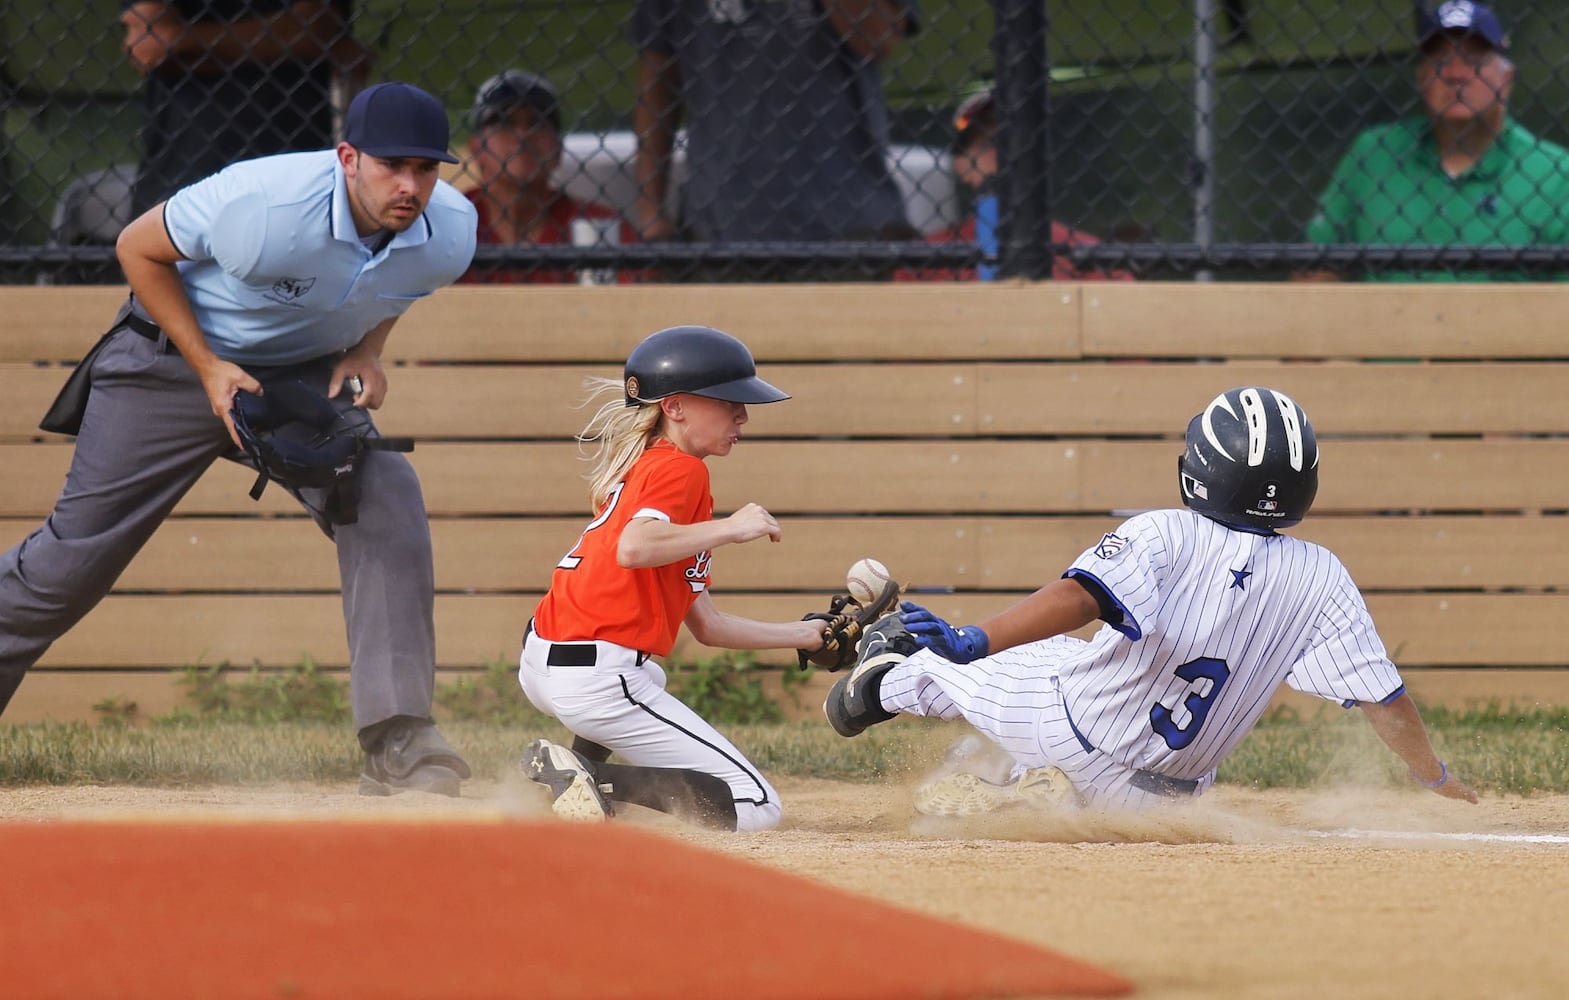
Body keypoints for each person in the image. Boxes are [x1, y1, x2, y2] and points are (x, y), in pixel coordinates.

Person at [2, 82, 479, 797]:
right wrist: (207, 367)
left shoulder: (450, 230)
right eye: (391, 165)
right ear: (347, 157)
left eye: (426, 168)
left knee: (384, 498)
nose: (410, 184)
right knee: (71, 563)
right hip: (171, 361)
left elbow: (399, 284)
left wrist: (369, 351)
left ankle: (398, 737)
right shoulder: (265, 207)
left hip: (300, 379)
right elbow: (136, 247)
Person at [823, 386, 1481, 814]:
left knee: (977, 664)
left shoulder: (1166, 529)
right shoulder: (1324, 574)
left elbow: (1080, 597)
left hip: (1070, 733)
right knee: (1055, 660)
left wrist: (976, 640)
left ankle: (881, 680)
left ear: (1203, 465)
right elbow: (1383, 700)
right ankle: (1014, 787)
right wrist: (1434, 779)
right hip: (1170, 801)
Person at [518, 325, 856, 831]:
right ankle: (590, 776)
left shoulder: (647, 469)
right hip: (596, 679)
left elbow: (708, 625)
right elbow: (634, 548)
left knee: (651, 675)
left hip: (549, 665)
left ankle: (580, 779)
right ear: (674, 407)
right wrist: (730, 529)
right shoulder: (681, 471)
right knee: (759, 807)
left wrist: (805, 634)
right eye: (727, 402)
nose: (742, 415)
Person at [1303, 1, 1569, 282]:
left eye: (1473, 60)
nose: (1455, 74)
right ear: (1421, 78)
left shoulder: (1555, 174)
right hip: (1388, 325)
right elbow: (1318, 273)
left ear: (1506, 79)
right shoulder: (1374, 152)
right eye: (1440, 61)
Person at [630, 0, 920, 251]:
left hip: (848, 220)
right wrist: (651, 213)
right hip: (719, 224)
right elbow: (660, 74)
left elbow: (878, 37)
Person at [120, 1, 371, 215]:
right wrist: (281, 42)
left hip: (296, 183)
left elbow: (314, 26)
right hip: (181, 180)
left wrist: (186, 42)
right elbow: (153, 46)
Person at [898, 88, 1135, 282]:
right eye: (987, 144)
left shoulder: (1089, 257)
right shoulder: (923, 262)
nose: (1003, 155)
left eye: (1014, 141)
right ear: (961, 165)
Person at [459, 69, 640, 284]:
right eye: (505, 123)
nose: (523, 135)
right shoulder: (450, 223)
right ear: (476, 148)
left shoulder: (600, 226)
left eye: (537, 122)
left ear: (558, 149)